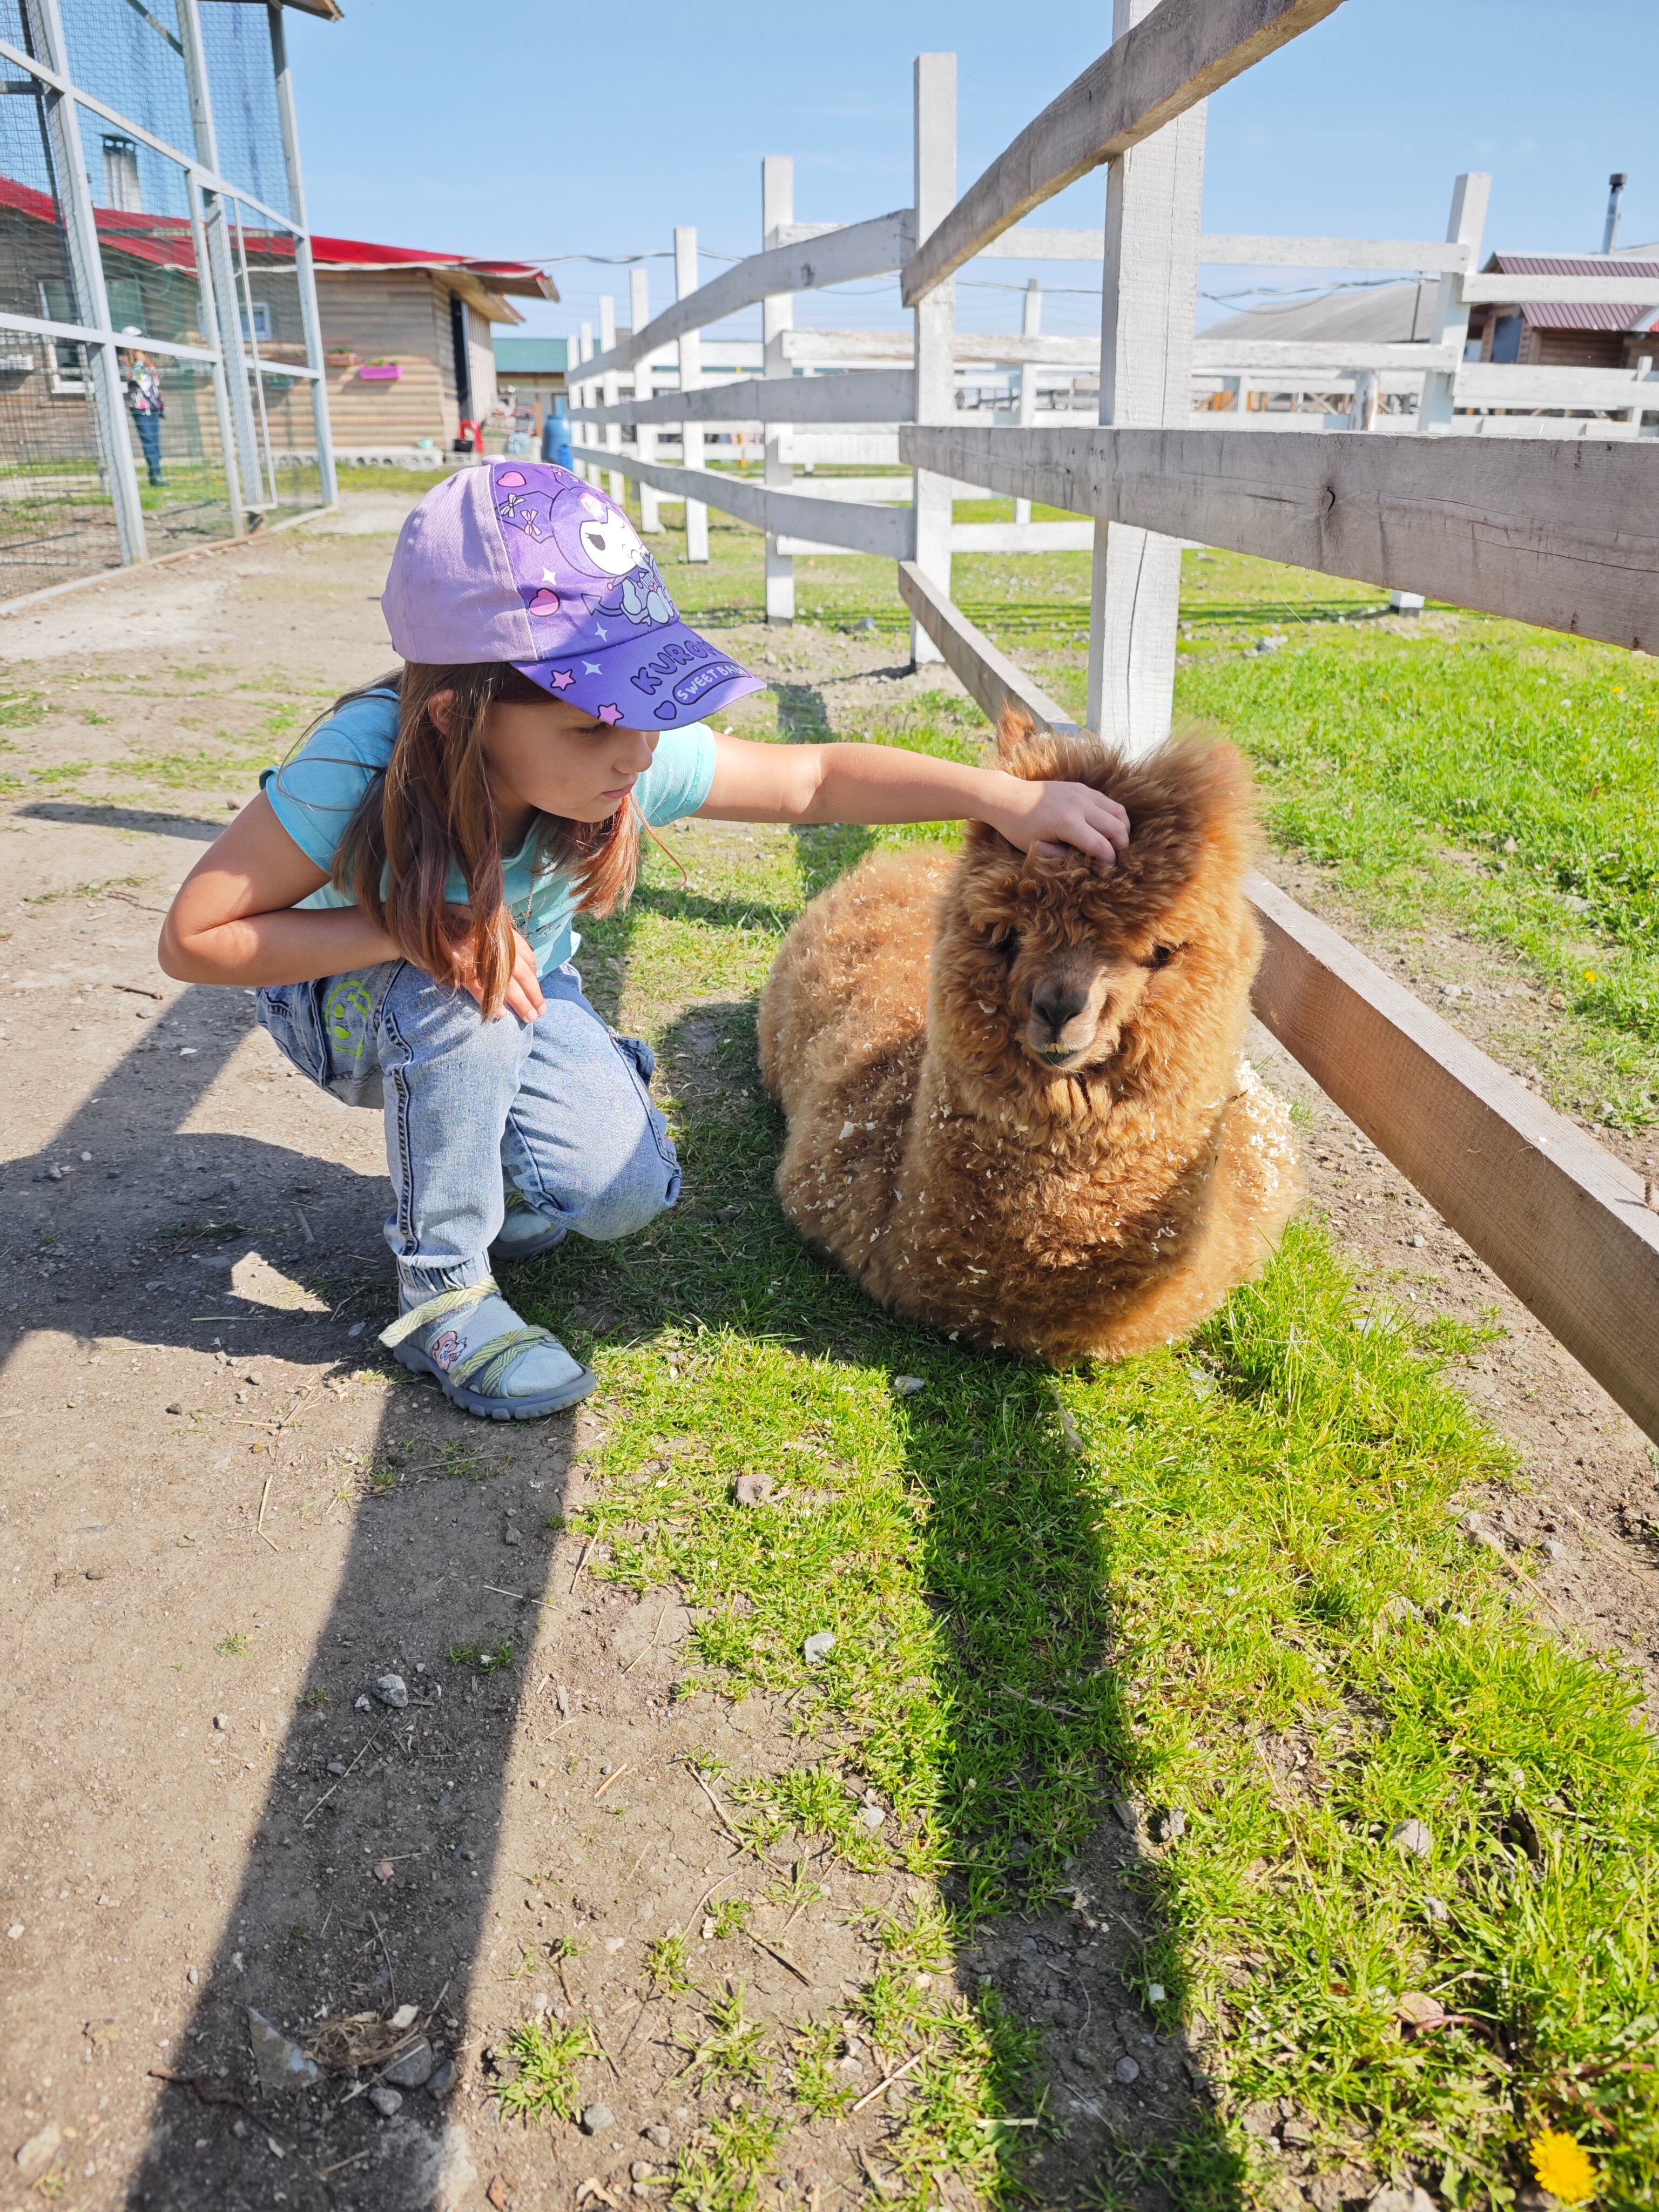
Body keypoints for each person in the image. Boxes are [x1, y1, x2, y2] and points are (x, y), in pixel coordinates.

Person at [158, 462, 1129, 1422]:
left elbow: (813, 781)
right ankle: (443, 1292)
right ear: (461, 713)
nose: (637, 751)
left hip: (518, 987)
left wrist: (1003, 796)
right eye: (594, 725)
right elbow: (197, 938)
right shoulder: (362, 767)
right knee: (465, 989)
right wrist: (418, 929)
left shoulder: (613, 759)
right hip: (348, 1002)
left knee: (623, 1191)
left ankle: (490, 1165)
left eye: (649, 709)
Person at [121, 347, 165, 485]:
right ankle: (155, 474)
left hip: (153, 407)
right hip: (140, 408)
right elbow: (132, 377)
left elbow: (155, 382)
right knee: (148, 441)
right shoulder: (124, 362)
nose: (142, 352)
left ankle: (156, 474)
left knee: (156, 442)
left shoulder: (148, 363)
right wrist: (139, 363)